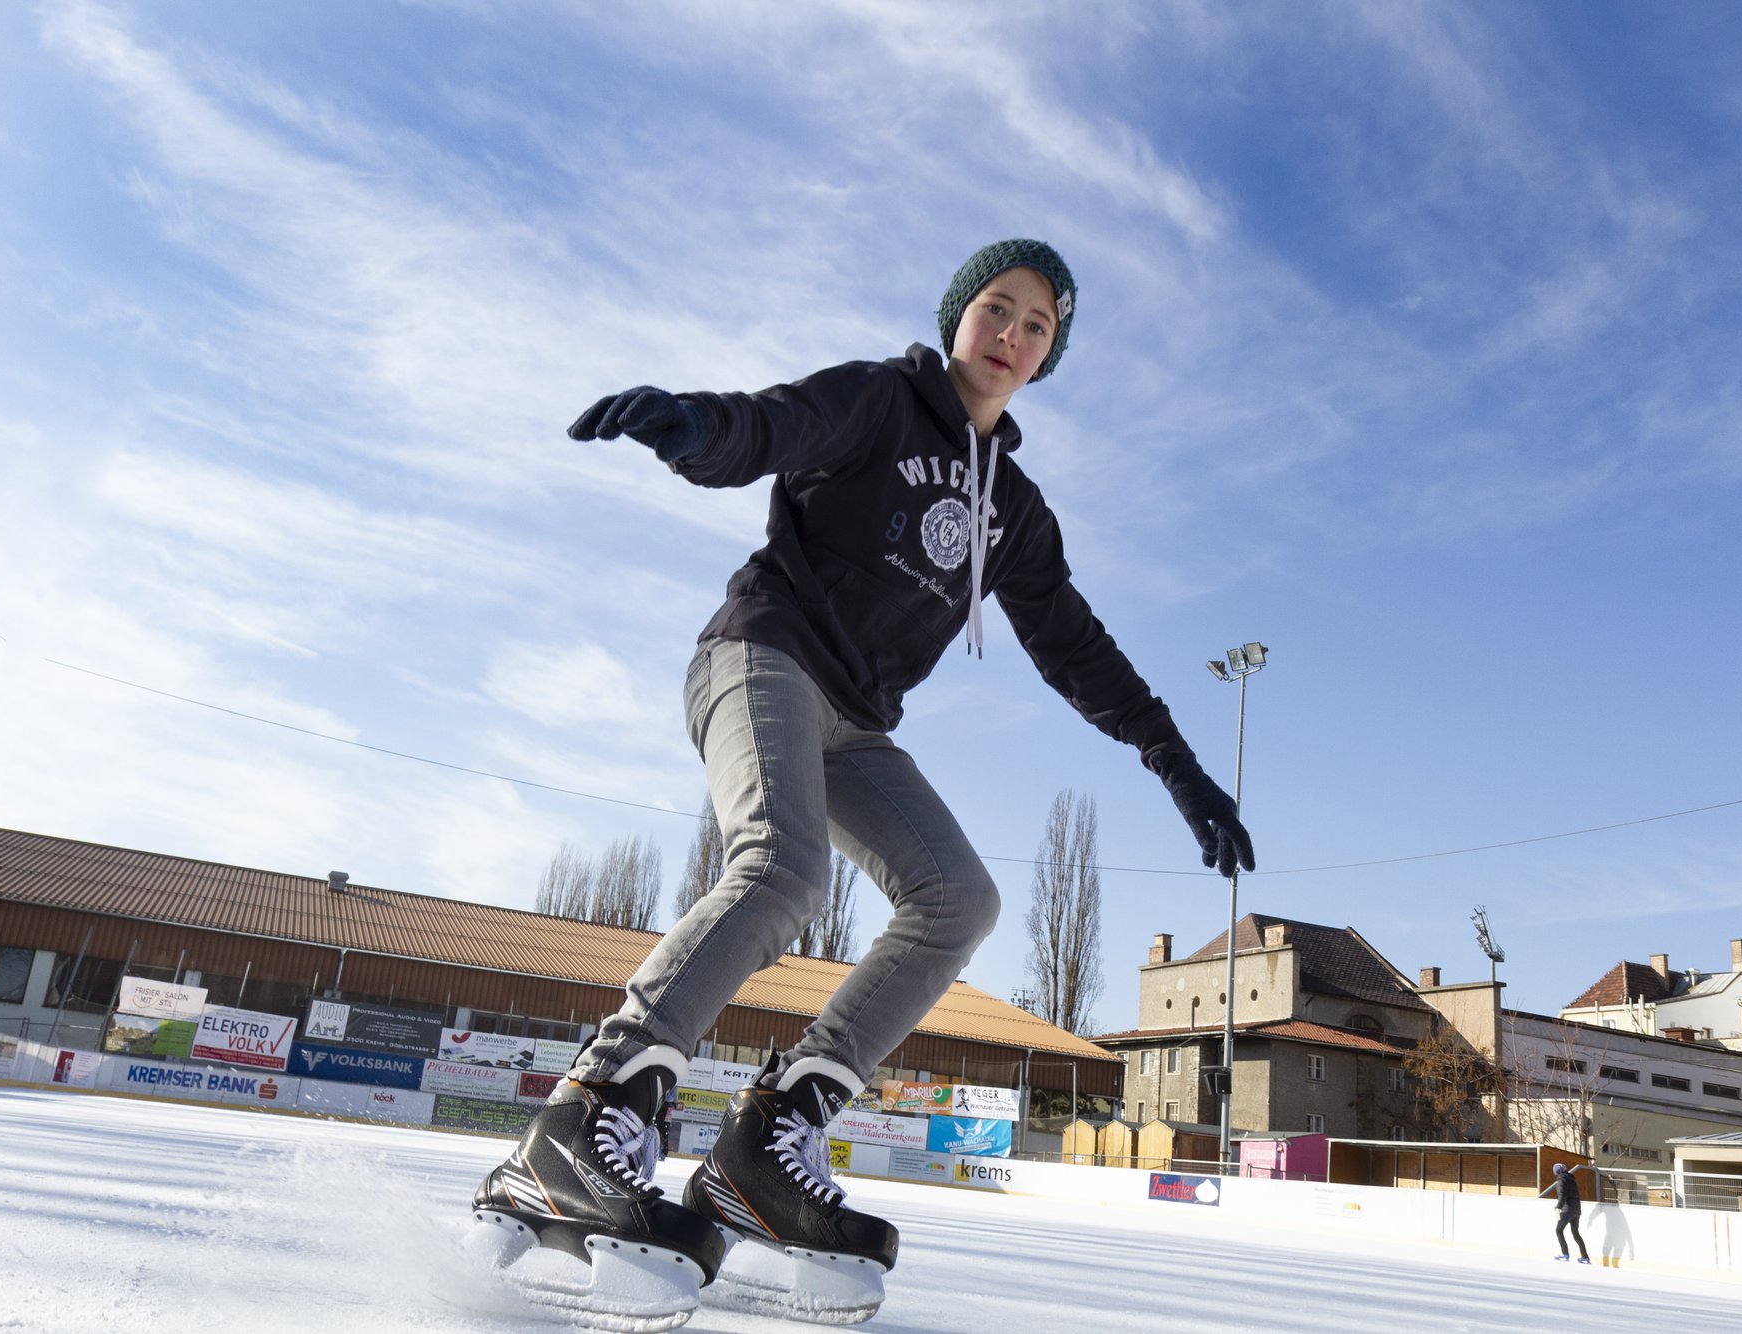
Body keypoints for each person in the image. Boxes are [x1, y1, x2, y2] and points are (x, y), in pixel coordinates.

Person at [469, 239, 1256, 1326]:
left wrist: (1171, 756)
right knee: (781, 866)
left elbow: (1073, 642)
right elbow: (774, 424)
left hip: (856, 721)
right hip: (761, 655)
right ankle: (588, 1108)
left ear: (1049, 354)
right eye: (997, 307)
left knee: (957, 899)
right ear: (957, 313)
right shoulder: (882, 401)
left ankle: (767, 1138)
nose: (1012, 334)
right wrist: (696, 429)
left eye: (1037, 325)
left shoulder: (1013, 511)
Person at [1550, 1162, 1590, 1264]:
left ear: (1556, 1172)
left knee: (1558, 1230)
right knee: (1576, 1234)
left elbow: (1562, 1195)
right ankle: (1585, 1257)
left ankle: (1565, 1254)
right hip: (1576, 1210)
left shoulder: (1561, 1181)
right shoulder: (1571, 1180)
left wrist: (1558, 1207)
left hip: (1567, 1210)